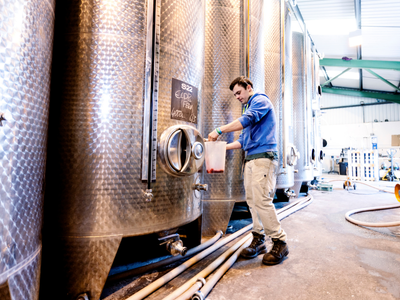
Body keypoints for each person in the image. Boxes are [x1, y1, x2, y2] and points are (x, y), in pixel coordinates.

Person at [207, 76, 288, 265]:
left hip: (264, 158)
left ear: (248, 87)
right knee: (252, 201)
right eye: (234, 94)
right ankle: (259, 239)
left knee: (262, 200)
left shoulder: (260, 100)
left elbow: (247, 120)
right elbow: (243, 141)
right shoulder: (248, 108)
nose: (237, 97)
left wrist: (219, 131)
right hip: (251, 158)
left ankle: (280, 242)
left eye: (239, 92)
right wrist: (219, 147)